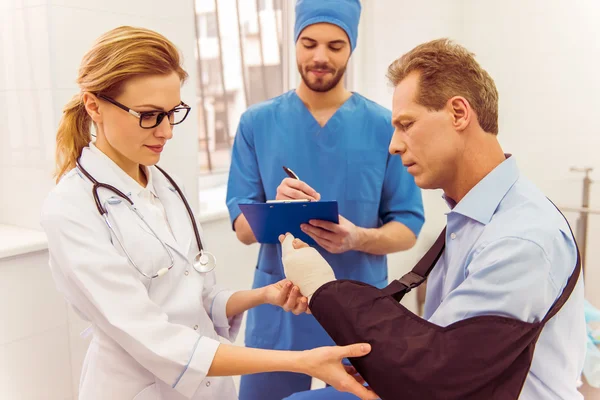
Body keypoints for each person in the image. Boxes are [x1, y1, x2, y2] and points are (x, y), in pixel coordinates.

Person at [40, 26, 380, 400]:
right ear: (94, 106)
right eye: (150, 115)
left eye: (173, 113)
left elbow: (200, 300)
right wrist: (299, 362)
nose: (167, 131)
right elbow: (156, 338)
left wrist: (264, 295)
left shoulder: (165, 185)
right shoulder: (71, 210)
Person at [278, 38, 587, 399]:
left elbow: (439, 370)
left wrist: (321, 288)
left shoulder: (521, 240)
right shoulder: (472, 218)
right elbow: (444, 342)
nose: (393, 145)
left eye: (406, 124)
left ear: (458, 113)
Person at [226, 1, 424, 398]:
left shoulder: (383, 125)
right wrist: (275, 211)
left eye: (335, 46)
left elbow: (408, 229)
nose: (320, 57)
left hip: (359, 303)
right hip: (281, 302)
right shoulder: (256, 123)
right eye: (309, 43)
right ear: (295, 45)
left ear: (350, 49)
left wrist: (357, 239)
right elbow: (243, 231)